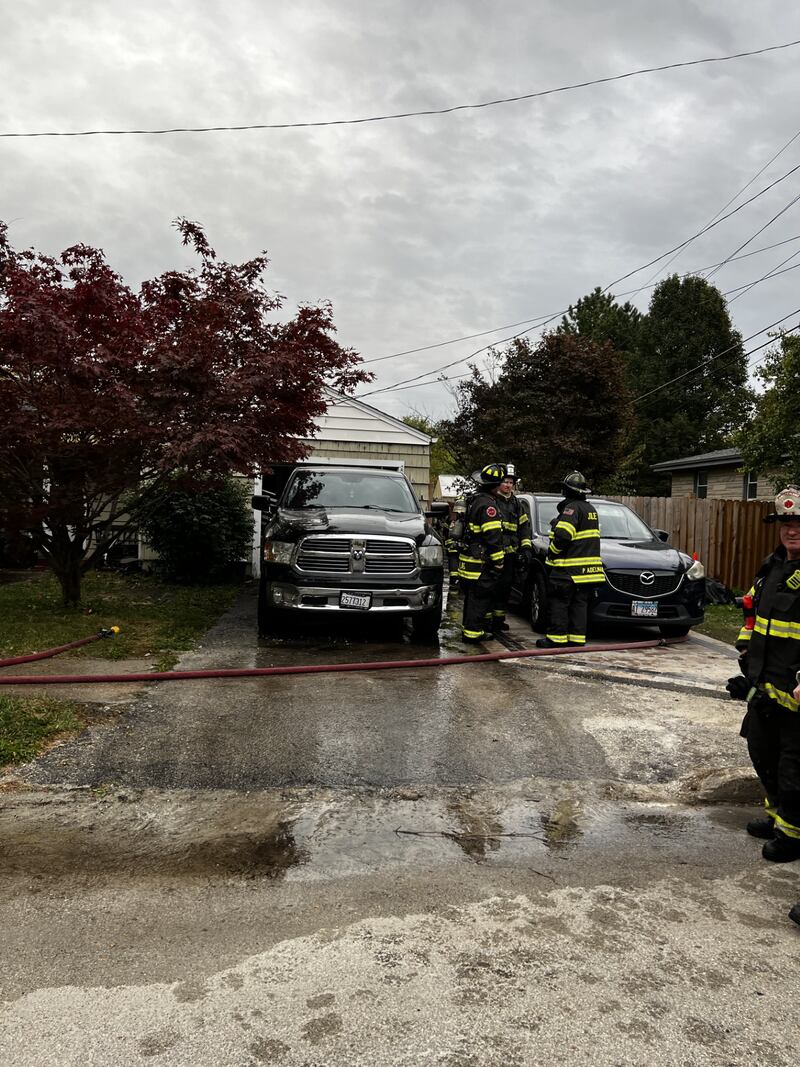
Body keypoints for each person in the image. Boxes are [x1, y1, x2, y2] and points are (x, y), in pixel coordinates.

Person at [727, 487, 800, 887]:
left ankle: (792, 836)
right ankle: (776, 818)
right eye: (786, 524)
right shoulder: (772, 568)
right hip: (763, 690)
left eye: (799, 524)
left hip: (795, 696)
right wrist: (744, 656)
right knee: (762, 753)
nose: (792, 531)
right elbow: (752, 616)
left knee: (794, 768)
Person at [536, 470, 604, 649]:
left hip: (567, 570)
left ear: (566, 490)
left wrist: (552, 550)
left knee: (559, 603)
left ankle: (555, 638)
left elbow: (563, 537)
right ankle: (577, 638)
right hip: (586, 573)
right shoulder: (591, 510)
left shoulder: (571, 509)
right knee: (579, 604)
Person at [458, 463, 506, 642]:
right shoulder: (489, 506)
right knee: (479, 598)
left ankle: (468, 629)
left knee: (471, 598)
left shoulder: (474, 500)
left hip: (469, 559)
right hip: (480, 562)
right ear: (496, 485)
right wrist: (499, 561)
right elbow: (493, 536)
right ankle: (473, 633)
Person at [490, 465, 532, 632]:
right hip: (493, 553)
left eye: (511, 482)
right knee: (491, 587)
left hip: (510, 554)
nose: (508, 485)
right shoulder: (492, 501)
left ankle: (499, 619)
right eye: (505, 482)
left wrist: (526, 548)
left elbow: (524, 527)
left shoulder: (516, 503)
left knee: (505, 586)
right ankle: (487, 620)